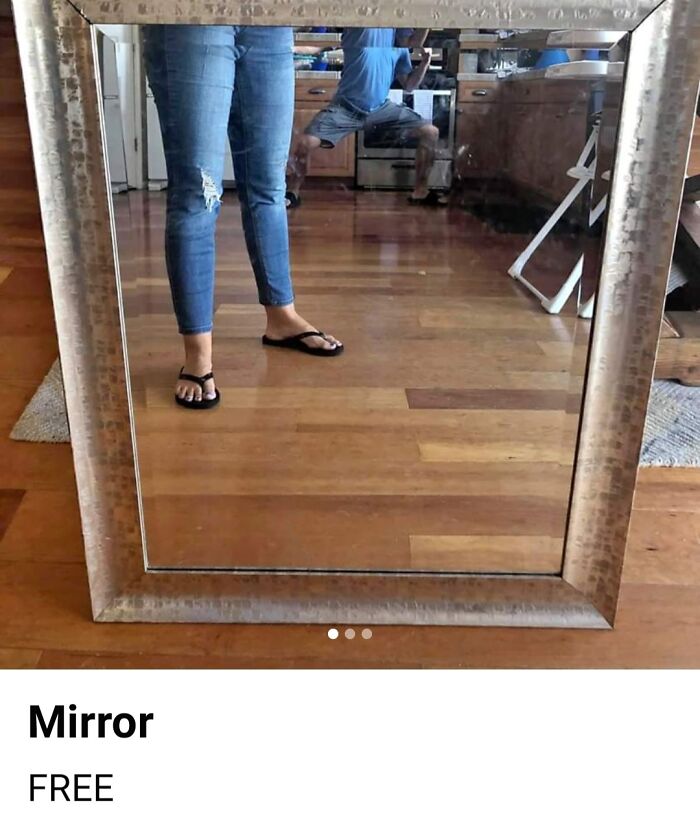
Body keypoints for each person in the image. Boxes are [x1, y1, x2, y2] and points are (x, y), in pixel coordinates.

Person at [144, 25, 343, 411]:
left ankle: (281, 316)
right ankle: (198, 351)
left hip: (268, 19)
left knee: (270, 185)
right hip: (192, 14)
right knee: (198, 193)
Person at [286, 27, 445, 208]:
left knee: (430, 132)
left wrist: (424, 63)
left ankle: (420, 191)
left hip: (381, 108)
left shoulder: (398, 46)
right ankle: (293, 192)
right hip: (345, 108)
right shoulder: (360, 28)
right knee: (305, 143)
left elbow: (409, 85)